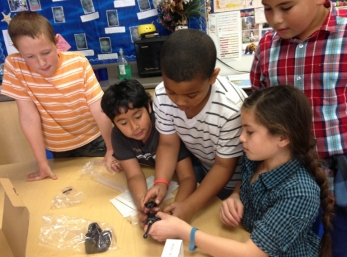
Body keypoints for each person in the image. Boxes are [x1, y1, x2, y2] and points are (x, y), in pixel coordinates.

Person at [147, 86, 335, 257]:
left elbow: (251, 253)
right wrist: (236, 196)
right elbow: (245, 183)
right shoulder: (255, 157)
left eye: (249, 132)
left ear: (283, 138)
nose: (241, 138)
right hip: (243, 237)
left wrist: (184, 232)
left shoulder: (299, 192)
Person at [250, 1, 347, 256]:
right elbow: (259, 114)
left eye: (287, 7)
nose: (276, 20)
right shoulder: (267, 46)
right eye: (268, 8)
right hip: (292, 179)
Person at [0, 11, 120, 181]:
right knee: (68, 184)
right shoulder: (14, 66)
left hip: (93, 140)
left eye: (46, 52)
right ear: (18, 51)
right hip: (59, 147)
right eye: (30, 57)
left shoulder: (78, 62)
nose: (41, 63)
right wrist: (42, 163)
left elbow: (99, 109)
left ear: (56, 42)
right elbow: (28, 117)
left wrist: (111, 149)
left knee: (103, 181)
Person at [142, 29, 247, 222]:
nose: (180, 102)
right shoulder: (162, 95)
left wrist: (189, 207)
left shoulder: (231, 108)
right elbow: (168, 144)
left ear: (213, 77)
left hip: (239, 184)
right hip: (208, 176)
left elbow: (224, 166)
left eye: (191, 95)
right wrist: (161, 182)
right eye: (171, 92)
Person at [101, 79, 196, 226]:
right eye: (123, 123)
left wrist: (177, 208)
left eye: (138, 116)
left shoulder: (165, 127)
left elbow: (188, 177)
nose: (134, 127)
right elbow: (134, 175)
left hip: (179, 182)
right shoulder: (118, 136)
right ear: (113, 122)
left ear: (149, 107)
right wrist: (142, 203)